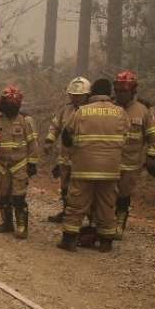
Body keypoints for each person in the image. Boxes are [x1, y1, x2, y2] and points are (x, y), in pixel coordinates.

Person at [56, 78, 129, 252]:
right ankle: (106, 242)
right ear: (109, 93)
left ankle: (69, 240)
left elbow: (66, 135)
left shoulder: (82, 111)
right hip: (110, 169)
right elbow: (126, 136)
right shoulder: (120, 112)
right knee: (106, 204)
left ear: (92, 93)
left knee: (77, 203)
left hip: (84, 167)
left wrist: (73, 148)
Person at [112, 70, 155, 237]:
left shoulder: (143, 111)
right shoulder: (109, 108)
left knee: (124, 195)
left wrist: (152, 157)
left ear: (133, 90)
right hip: (108, 161)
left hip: (130, 163)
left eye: (124, 91)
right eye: (118, 91)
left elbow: (154, 137)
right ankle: (103, 223)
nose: (120, 94)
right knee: (105, 194)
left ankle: (120, 221)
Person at [0, 85, 39, 239]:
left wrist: (32, 163)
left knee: (18, 197)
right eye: (7, 104)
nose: (9, 107)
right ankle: (7, 223)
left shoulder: (26, 120)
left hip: (20, 164)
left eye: (12, 105)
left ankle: (22, 227)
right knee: (3, 196)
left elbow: (33, 143)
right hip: (1, 165)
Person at [44, 77, 92, 223]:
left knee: (84, 189)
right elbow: (55, 126)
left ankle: (90, 217)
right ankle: (66, 212)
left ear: (87, 95)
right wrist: (49, 140)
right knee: (65, 186)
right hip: (65, 157)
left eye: (79, 96)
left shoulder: (91, 111)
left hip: (84, 157)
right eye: (73, 95)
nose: (76, 98)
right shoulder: (65, 110)